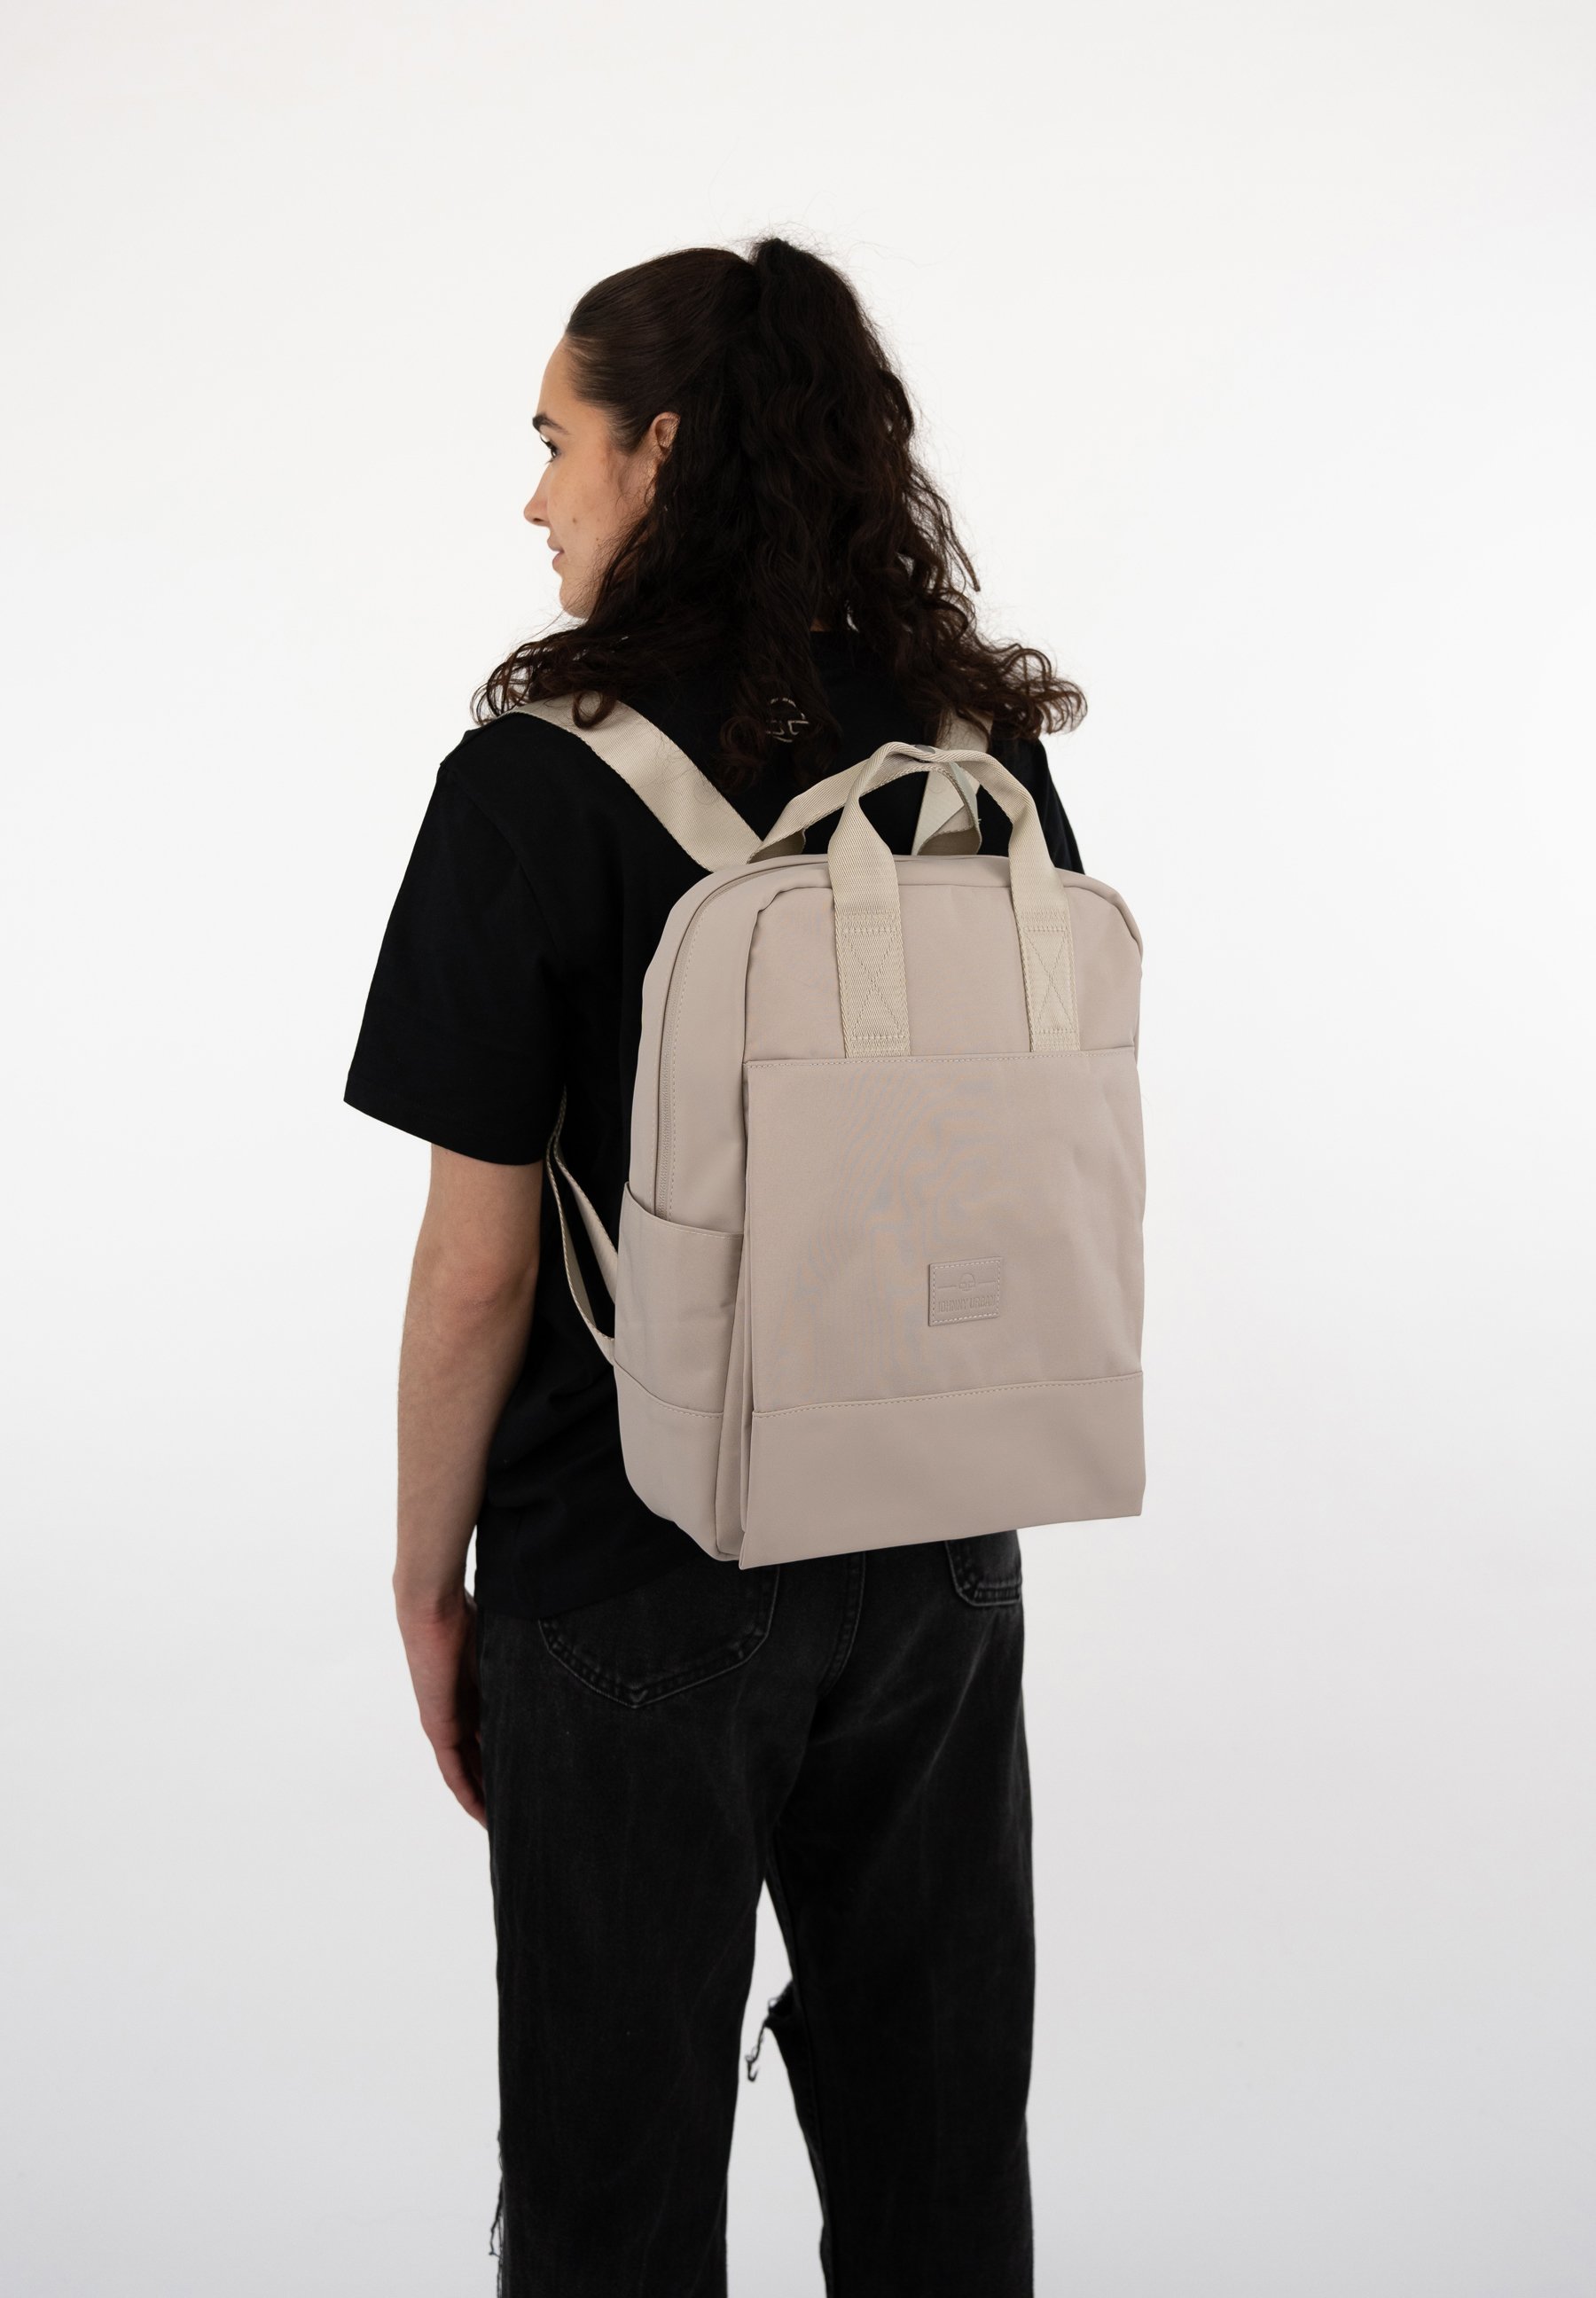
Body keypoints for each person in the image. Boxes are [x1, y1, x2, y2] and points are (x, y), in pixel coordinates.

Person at [344, 235, 1089, 2298]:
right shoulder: (977, 750)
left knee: (616, 2181)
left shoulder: (534, 778)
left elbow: (478, 1269)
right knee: (940, 2154)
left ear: (659, 448)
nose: (536, 498)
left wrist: (425, 1580)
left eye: (555, 441)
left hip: (630, 1555)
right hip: (941, 1530)